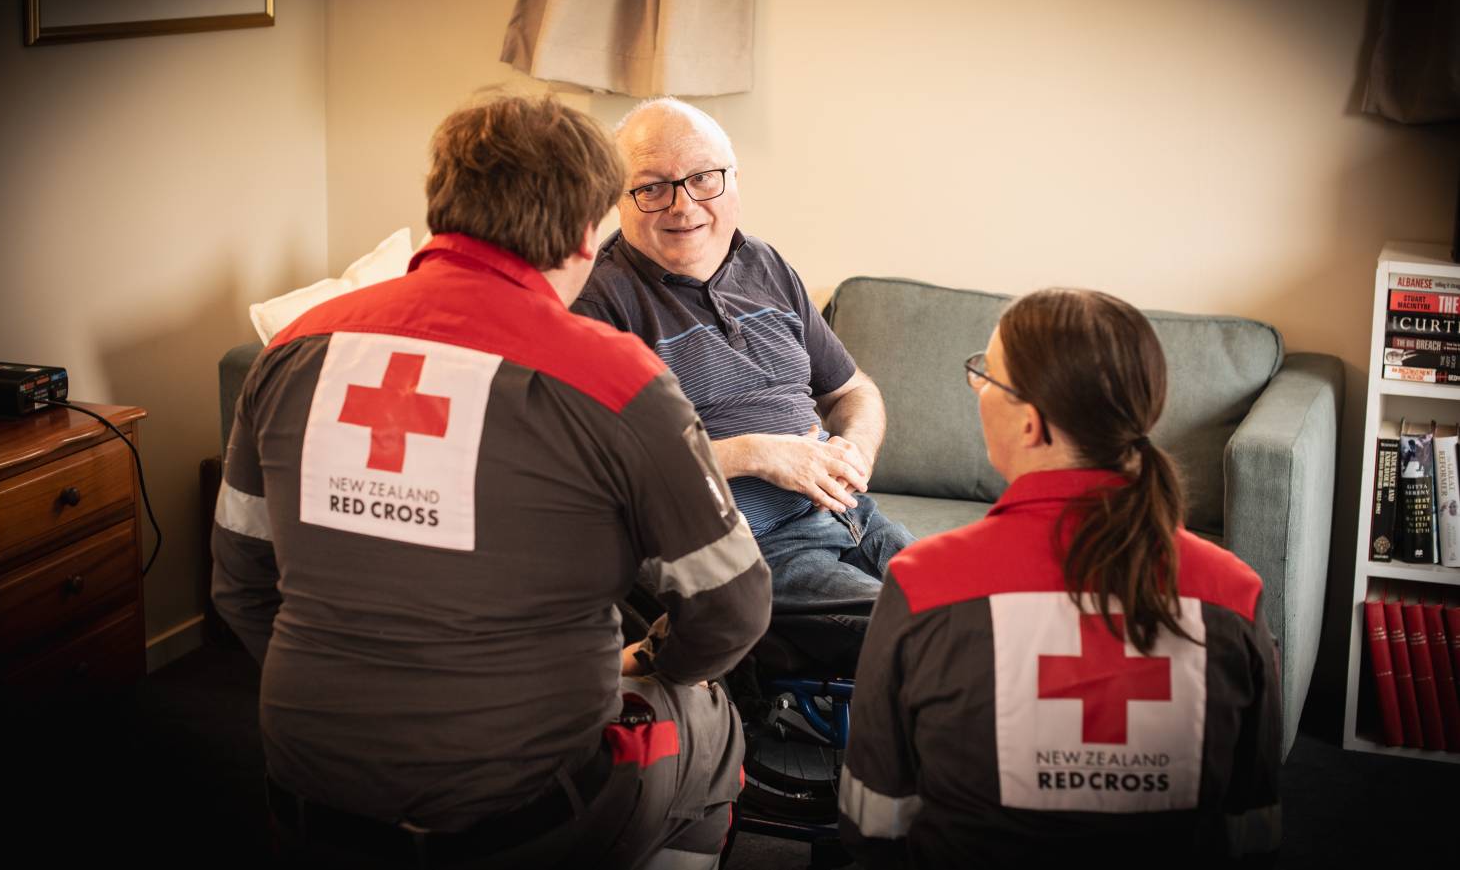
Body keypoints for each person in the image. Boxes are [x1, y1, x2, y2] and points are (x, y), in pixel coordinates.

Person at [211, 95, 771, 869]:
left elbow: (241, 580)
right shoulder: (615, 378)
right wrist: (649, 663)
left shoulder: (293, 349)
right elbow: (735, 609)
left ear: (442, 203)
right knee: (710, 723)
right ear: (585, 232)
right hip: (526, 823)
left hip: (308, 804)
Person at [839, 288, 1281, 867]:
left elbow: (875, 820)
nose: (978, 391)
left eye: (986, 375)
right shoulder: (1233, 593)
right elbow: (1252, 829)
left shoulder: (925, 583)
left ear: (1031, 424)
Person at [573, 98, 913, 667]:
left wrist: (856, 448)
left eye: (703, 178)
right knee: (922, 641)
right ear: (617, 197)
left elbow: (853, 391)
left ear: (732, 179)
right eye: (652, 187)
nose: (683, 206)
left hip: (853, 516)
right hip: (747, 555)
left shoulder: (766, 265)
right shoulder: (600, 302)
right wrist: (755, 454)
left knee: (978, 608)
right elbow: (600, 469)